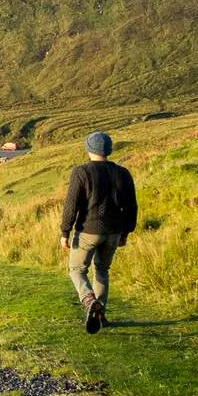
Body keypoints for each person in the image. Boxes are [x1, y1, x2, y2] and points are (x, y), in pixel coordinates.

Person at [60, 130, 137, 333]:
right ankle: (100, 314)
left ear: (88, 149)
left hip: (88, 231)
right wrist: (125, 233)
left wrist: (65, 232)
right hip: (113, 232)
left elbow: (71, 205)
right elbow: (132, 206)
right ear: (109, 150)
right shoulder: (123, 173)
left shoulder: (81, 172)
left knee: (77, 270)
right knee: (102, 270)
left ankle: (88, 300)